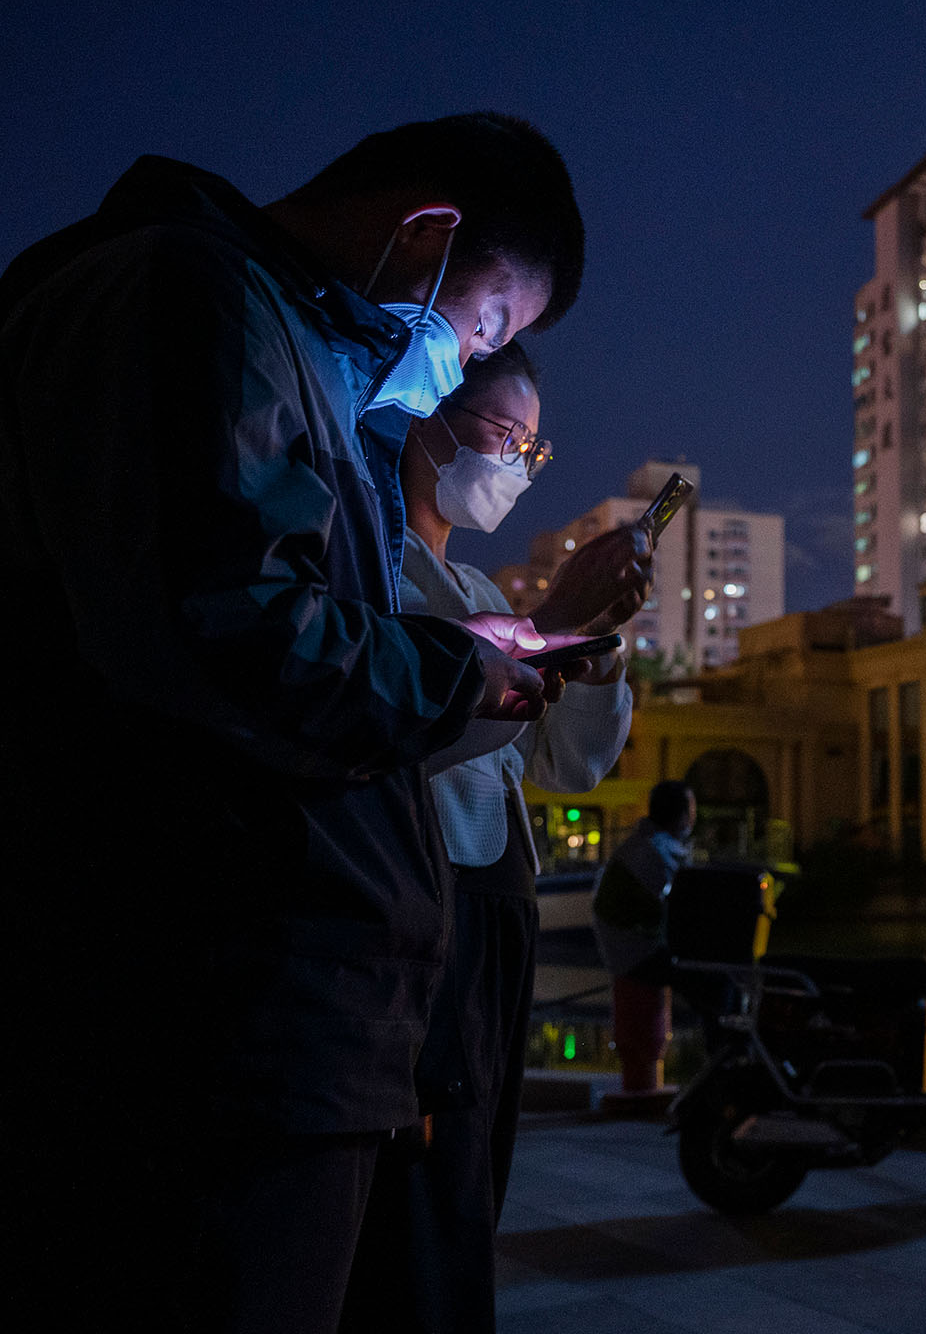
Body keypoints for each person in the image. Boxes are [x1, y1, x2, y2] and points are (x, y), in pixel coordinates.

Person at [0, 113, 617, 1333]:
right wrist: (459, 674)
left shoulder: (272, 340)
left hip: (267, 1016)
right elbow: (230, 628)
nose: (466, 358)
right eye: (486, 324)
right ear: (425, 234)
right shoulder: (189, 296)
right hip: (216, 1018)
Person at [341, 341, 646, 1332]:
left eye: (531, 446)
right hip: (439, 900)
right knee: (429, 1178)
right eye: (501, 436)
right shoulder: (367, 565)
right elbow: (403, 727)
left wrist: (590, 652)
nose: (516, 462)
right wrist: (550, 620)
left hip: (499, 897)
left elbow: (566, 762)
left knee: (476, 1166)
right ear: (426, 418)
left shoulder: (474, 593)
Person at [593, 780, 699, 1097]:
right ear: (681, 816)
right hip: (637, 955)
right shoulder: (654, 853)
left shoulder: (645, 845)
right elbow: (681, 909)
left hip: (628, 951)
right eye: (692, 810)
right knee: (711, 981)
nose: (694, 817)